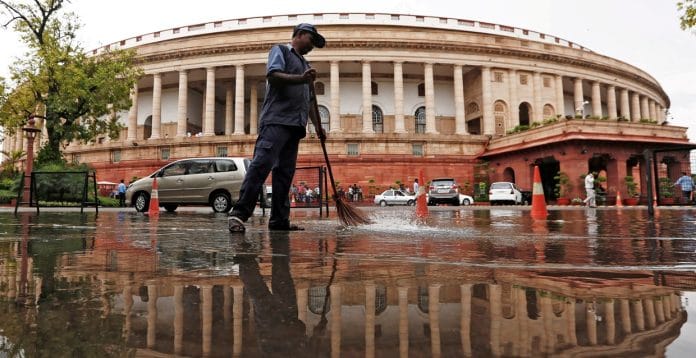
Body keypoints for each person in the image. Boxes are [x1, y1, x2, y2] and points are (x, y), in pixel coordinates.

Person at [228, 23, 326, 233]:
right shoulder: (280, 50)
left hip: (295, 127)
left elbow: (309, 101)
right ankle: (239, 214)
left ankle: (279, 221)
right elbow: (273, 75)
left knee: (285, 173)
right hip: (276, 121)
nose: (312, 47)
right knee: (261, 165)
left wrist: (318, 126)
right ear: (299, 35)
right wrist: (302, 78)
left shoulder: (305, 65)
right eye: (311, 40)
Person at [236, 231, 307, 355]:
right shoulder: (270, 346)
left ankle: (246, 259)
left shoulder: (279, 348)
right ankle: (245, 260)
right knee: (263, 289)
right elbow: (300, 329)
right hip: (275, 324)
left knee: (277, 279)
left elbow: (300, 328)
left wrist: (300, 336)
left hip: (280, 323)